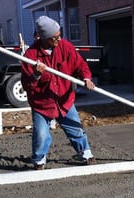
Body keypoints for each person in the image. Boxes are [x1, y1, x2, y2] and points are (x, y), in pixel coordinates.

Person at [21, 16, 96, 170]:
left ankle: (85, 153)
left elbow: (80, 65)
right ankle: (39, 160)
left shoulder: (65, 47)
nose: (58, 39)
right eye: (54, 37)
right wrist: (36, 75)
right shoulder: (30, 56)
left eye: (59, 35)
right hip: (42, 104)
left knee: (75, 128)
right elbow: (27, 86)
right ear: (43, 38)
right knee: (41, 135)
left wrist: (86, 77)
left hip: (64, 99)